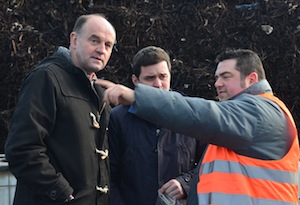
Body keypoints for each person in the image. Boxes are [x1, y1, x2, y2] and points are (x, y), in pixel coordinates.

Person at [96, 48, 299, 205]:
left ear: (251, 79)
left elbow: (202, 114)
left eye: (226, 76)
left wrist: (137, 97)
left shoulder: (261, 112)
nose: (217, 83)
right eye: (217, 77)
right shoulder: (239, 125)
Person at [5, 13, 116, 205]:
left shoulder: (99, 92)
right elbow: (22, 149)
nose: (101, 50)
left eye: (108, 45)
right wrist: (61, 192)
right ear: (74, 40)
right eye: (94, 40)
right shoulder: (46, 78)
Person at [108, 46, 204, 205]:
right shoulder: (118, 118)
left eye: (163, 76)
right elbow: (109, 175)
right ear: (135, 80)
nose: (158, 84)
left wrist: (185, 182)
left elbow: (209, 163)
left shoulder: (190, 113)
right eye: (150, 78)